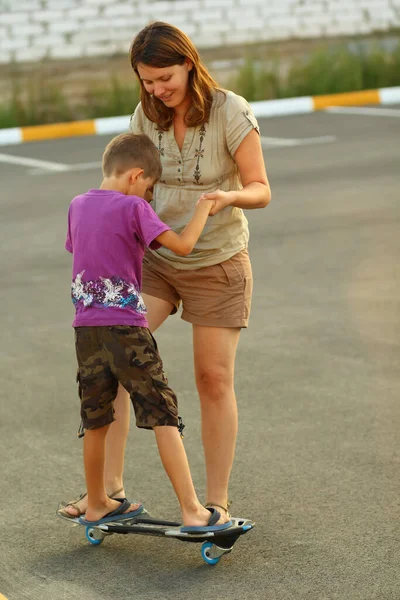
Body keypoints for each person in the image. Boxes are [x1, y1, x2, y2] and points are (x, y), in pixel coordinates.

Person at [61, 21, 271, 524]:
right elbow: (126, 180)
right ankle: (107, 495)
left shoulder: (230, 110)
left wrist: (228, 198)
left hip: (216, 260)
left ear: (187, 63)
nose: (156, 90)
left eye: (164, 78)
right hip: (155, 261)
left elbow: (261, 188)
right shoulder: (145, 114)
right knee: (114, 359)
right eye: (147, 81)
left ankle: (215, 501)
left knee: (212, 378)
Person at [59, 131, 230, 531]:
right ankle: (192, 509)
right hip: (127, 331)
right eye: (150, 187)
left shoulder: (76, 205)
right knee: (162, 414)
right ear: (136, 176)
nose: (150, 196)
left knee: (96, 419)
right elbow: (183, 246)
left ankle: (98, 501)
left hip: (86, 330)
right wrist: (205, 207)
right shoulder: (133, 208)